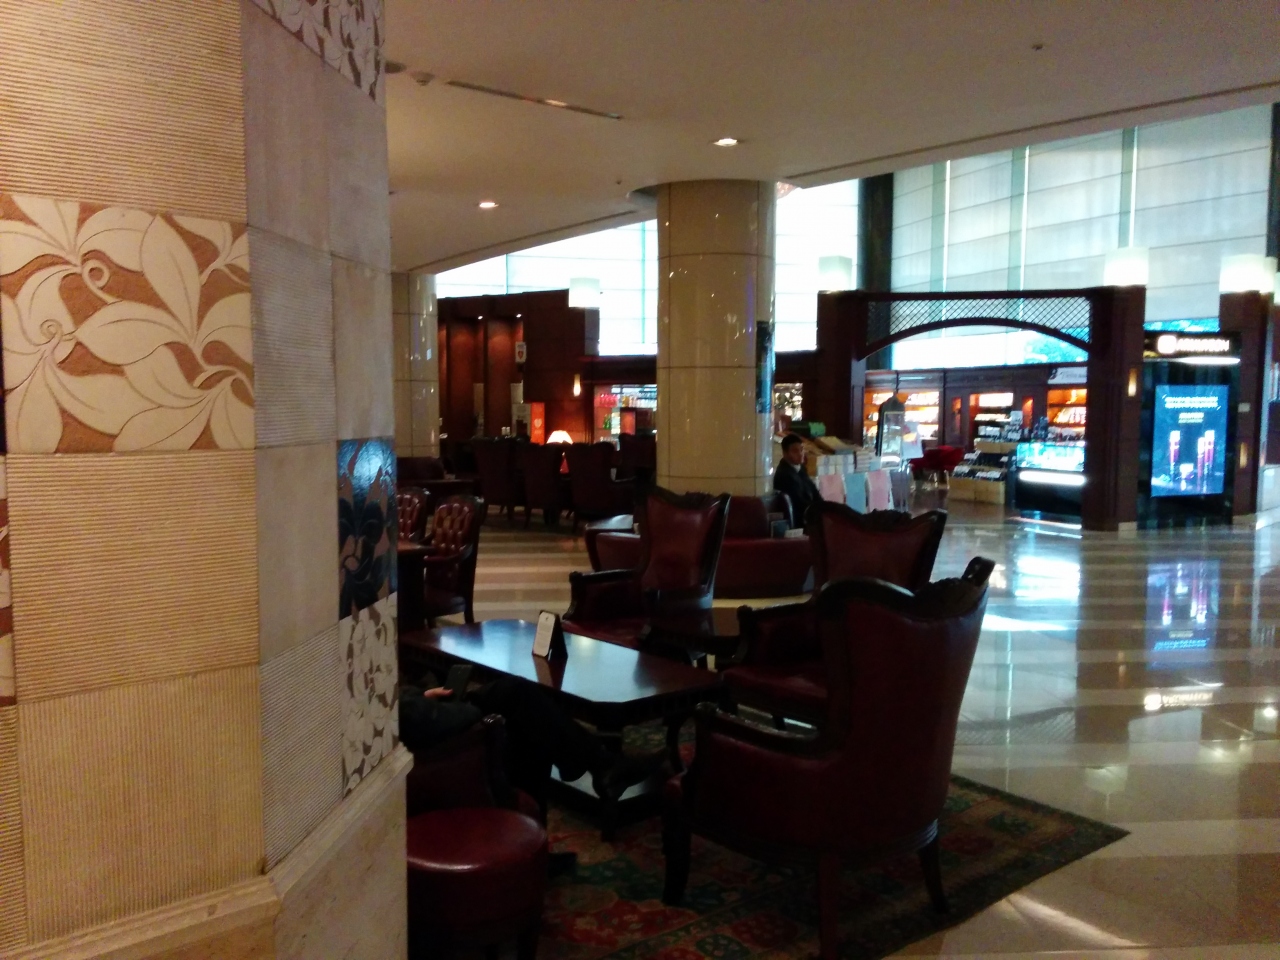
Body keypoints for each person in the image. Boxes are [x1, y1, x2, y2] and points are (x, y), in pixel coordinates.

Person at [399, 671, 663, 813]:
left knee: (520, 700)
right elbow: (411, 718)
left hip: (417, 712)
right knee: (520, 708)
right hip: (429, 732)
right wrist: (470, 710)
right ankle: (602, 765)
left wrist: (419, 695)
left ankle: (600, 765)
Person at [773, 433, 820, 526]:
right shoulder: (784, 475)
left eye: (801, 449)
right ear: (785, 453)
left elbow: (813, 490)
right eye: (795, 451)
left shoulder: (800, 468)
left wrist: (824, 507)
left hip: (810, 513)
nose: (800, 454)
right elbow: (799, 503)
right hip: (798, 521)